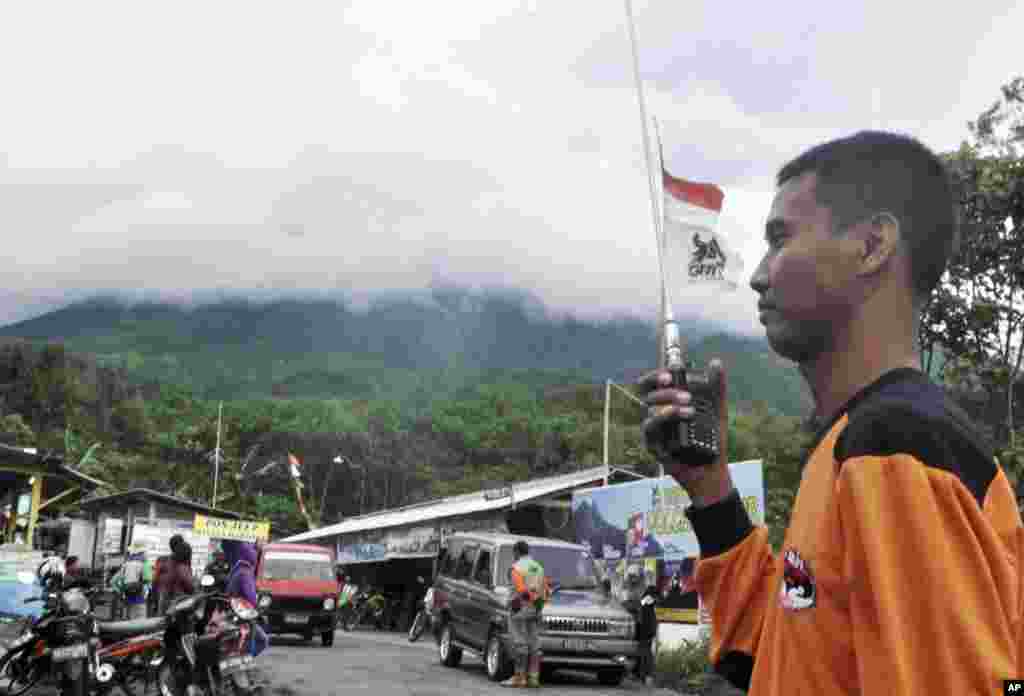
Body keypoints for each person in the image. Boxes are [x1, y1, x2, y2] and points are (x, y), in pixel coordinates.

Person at [639, 131, 1024, 695]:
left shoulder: (896, 448)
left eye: (780, 239)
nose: (759, 274)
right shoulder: (853, 443)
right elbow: (777, 657)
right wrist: (710, 487)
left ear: (871, 246)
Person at [502, 540, 550, 689]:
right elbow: (545, 592)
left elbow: (521, 590)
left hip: (518, 609)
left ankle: (519, 678)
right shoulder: (538, 567)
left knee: (520, 644)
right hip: (535, 610)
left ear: (516, 552)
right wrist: (538, 607)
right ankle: (534, 679)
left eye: (513, 553)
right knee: (534, 645)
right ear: (527, 551)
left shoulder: (516, 568)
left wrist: (523, 605)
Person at [222, 540, 268, 657]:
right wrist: (258, 609)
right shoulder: (246, 573)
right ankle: (244, 660)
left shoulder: (237, 569)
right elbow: (251, 597)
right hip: (244, 614)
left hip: (233, 612)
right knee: (261, 640)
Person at [156, 534, 194, 614]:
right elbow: (190, 585)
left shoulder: (164, 561)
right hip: (178, 603)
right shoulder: (182, 567)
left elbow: (156, 580)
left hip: (165, 599)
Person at [112, 545, 149, 619]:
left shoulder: (125, 565)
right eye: (144, 553)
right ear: (140, 554)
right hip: (139, 600)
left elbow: (113, 581)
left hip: (128, 599)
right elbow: (147, 581)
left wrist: (120, 591)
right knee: (140, 623)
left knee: (129, 621)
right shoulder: (143, 565)